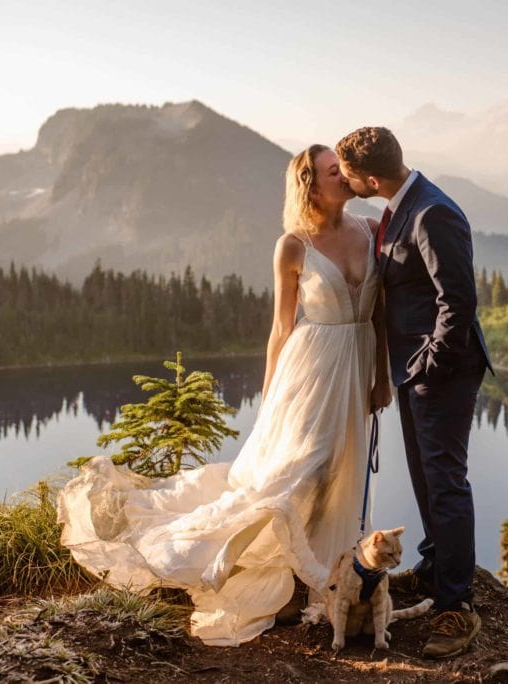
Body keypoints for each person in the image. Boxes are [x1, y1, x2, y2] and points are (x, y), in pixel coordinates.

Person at [57, 144, 391, 646]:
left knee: (342, 471)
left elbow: (382, 313)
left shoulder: (370, 229)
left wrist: (381, 376)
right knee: (304, 470)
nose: (343, 176)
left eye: (342, 170)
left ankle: (327, 577)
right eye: (331, 171)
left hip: (358, 360)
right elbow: (280, 329)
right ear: (310, 185)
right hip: (311, 370)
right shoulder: (293, 246)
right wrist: (272, 392)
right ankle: (292, 572)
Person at [335, 127, 493, 659]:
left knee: (445, 482)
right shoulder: (399, 205)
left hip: (440, 372)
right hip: (414, 371)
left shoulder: (432, 213)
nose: (347, 181)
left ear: (371, 177)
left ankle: (457, 607)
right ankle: (436, 565)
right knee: (427, 478)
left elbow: (459, 301)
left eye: (348, 173)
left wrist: (429, 366)